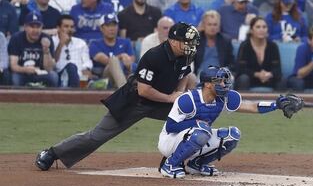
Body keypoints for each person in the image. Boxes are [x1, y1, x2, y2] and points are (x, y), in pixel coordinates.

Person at [35, 22, 199, 171]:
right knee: (97, 136)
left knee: (191, 117)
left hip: (161, 102)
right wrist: (171, 98)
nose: (191, 45)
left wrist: (180, 94)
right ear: (173, 41)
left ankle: (173, 161)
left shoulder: (186, 54)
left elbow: (184, 73)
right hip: (134, 101)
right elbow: (144, 90)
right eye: (187, 41)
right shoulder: (154, 56)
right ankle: (52, 153)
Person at [158, 66, 302, 178]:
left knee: (232, 135)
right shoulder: (188, 100)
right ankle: (170, 165)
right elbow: (171, 126)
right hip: (169, 141)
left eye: (224, 80)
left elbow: (251, 106)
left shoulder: (223, 97)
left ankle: (196, 164)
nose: (223, 84)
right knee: (202, 130)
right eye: (219, 81)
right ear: (208, 84)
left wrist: (276, 105)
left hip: (198, 135)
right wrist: (196, 124)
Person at [8, 12, 58, 87]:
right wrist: (25, 69)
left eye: (38, 27)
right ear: (25, 27)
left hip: (41, 73)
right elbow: (13, 66)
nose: (35, 30)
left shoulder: (47, 39)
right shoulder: (16, 38)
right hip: (22, 73)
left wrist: (46, 51)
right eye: (32, 26)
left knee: (53, 76)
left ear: (42, 27)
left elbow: (49, 69)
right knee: (15, 78)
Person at [89, 13, 135, 89]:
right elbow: (106, 60)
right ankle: (124, 91)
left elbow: (130, 62)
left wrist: (126, 61)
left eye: (114, 25)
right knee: (113, 61)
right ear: (101, 28)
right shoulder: (95, 44)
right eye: (108, 25)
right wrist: (121, 56)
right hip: (105, 77)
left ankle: (122, 89)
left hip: (124, 75)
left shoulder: (126, 42)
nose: (112, 28)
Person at [53, 15, 92, 88]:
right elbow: (53, 63)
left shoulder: (81, 43)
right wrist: (61, 44)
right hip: (60, 76)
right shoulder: (52, 41)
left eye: (71, 27)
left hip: (80, 78)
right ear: (58, 28)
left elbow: (87, 62)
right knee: (71, 67)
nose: (69, 29)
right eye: (66, 26)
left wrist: (87, 69)